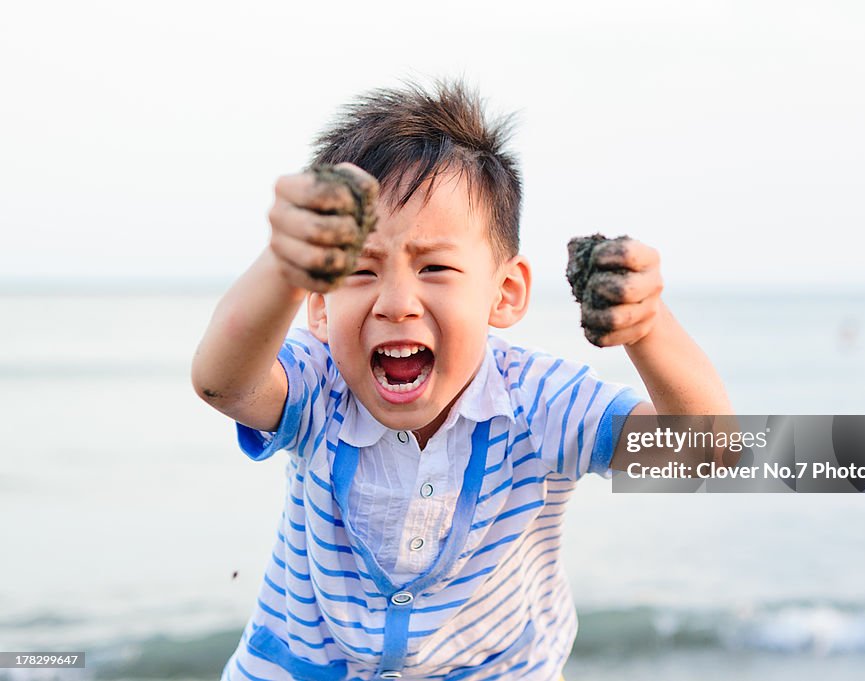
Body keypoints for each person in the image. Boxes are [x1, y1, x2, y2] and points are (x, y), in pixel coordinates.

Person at [192, 79, 731, 681]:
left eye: (436, 267)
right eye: (360, 269)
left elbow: (705, 452)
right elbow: (225, 384)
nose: (398, 302)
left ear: (504, 293)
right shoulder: (320, 387)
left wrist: (649, 326)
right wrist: (284, 262)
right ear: (318, 306)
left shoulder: (541, 404)